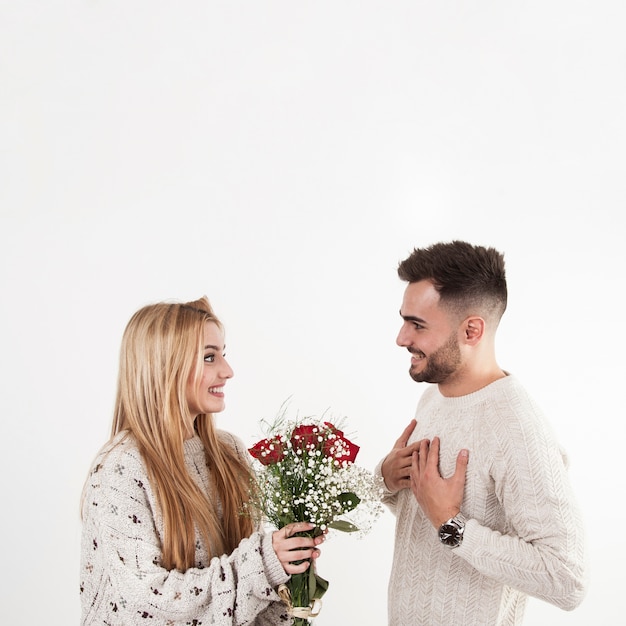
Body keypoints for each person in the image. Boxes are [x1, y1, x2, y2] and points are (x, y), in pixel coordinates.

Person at [377, 241, 587, 625]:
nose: (401, 338)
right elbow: (424, 515)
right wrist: (389, 479)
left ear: (472, 330)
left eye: (417, 325)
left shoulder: (517, 429)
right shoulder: (431, 401)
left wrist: (452, 525)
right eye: (404, 319)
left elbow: (567, 578)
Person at [80, 297, 324, 625]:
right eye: (210, 357)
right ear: (164, 366)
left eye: (223, 354)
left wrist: (290, 571)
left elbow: (250, 601)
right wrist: (263, 565)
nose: (227, 371)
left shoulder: (230, 454)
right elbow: (148, 608)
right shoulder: (119, 469)